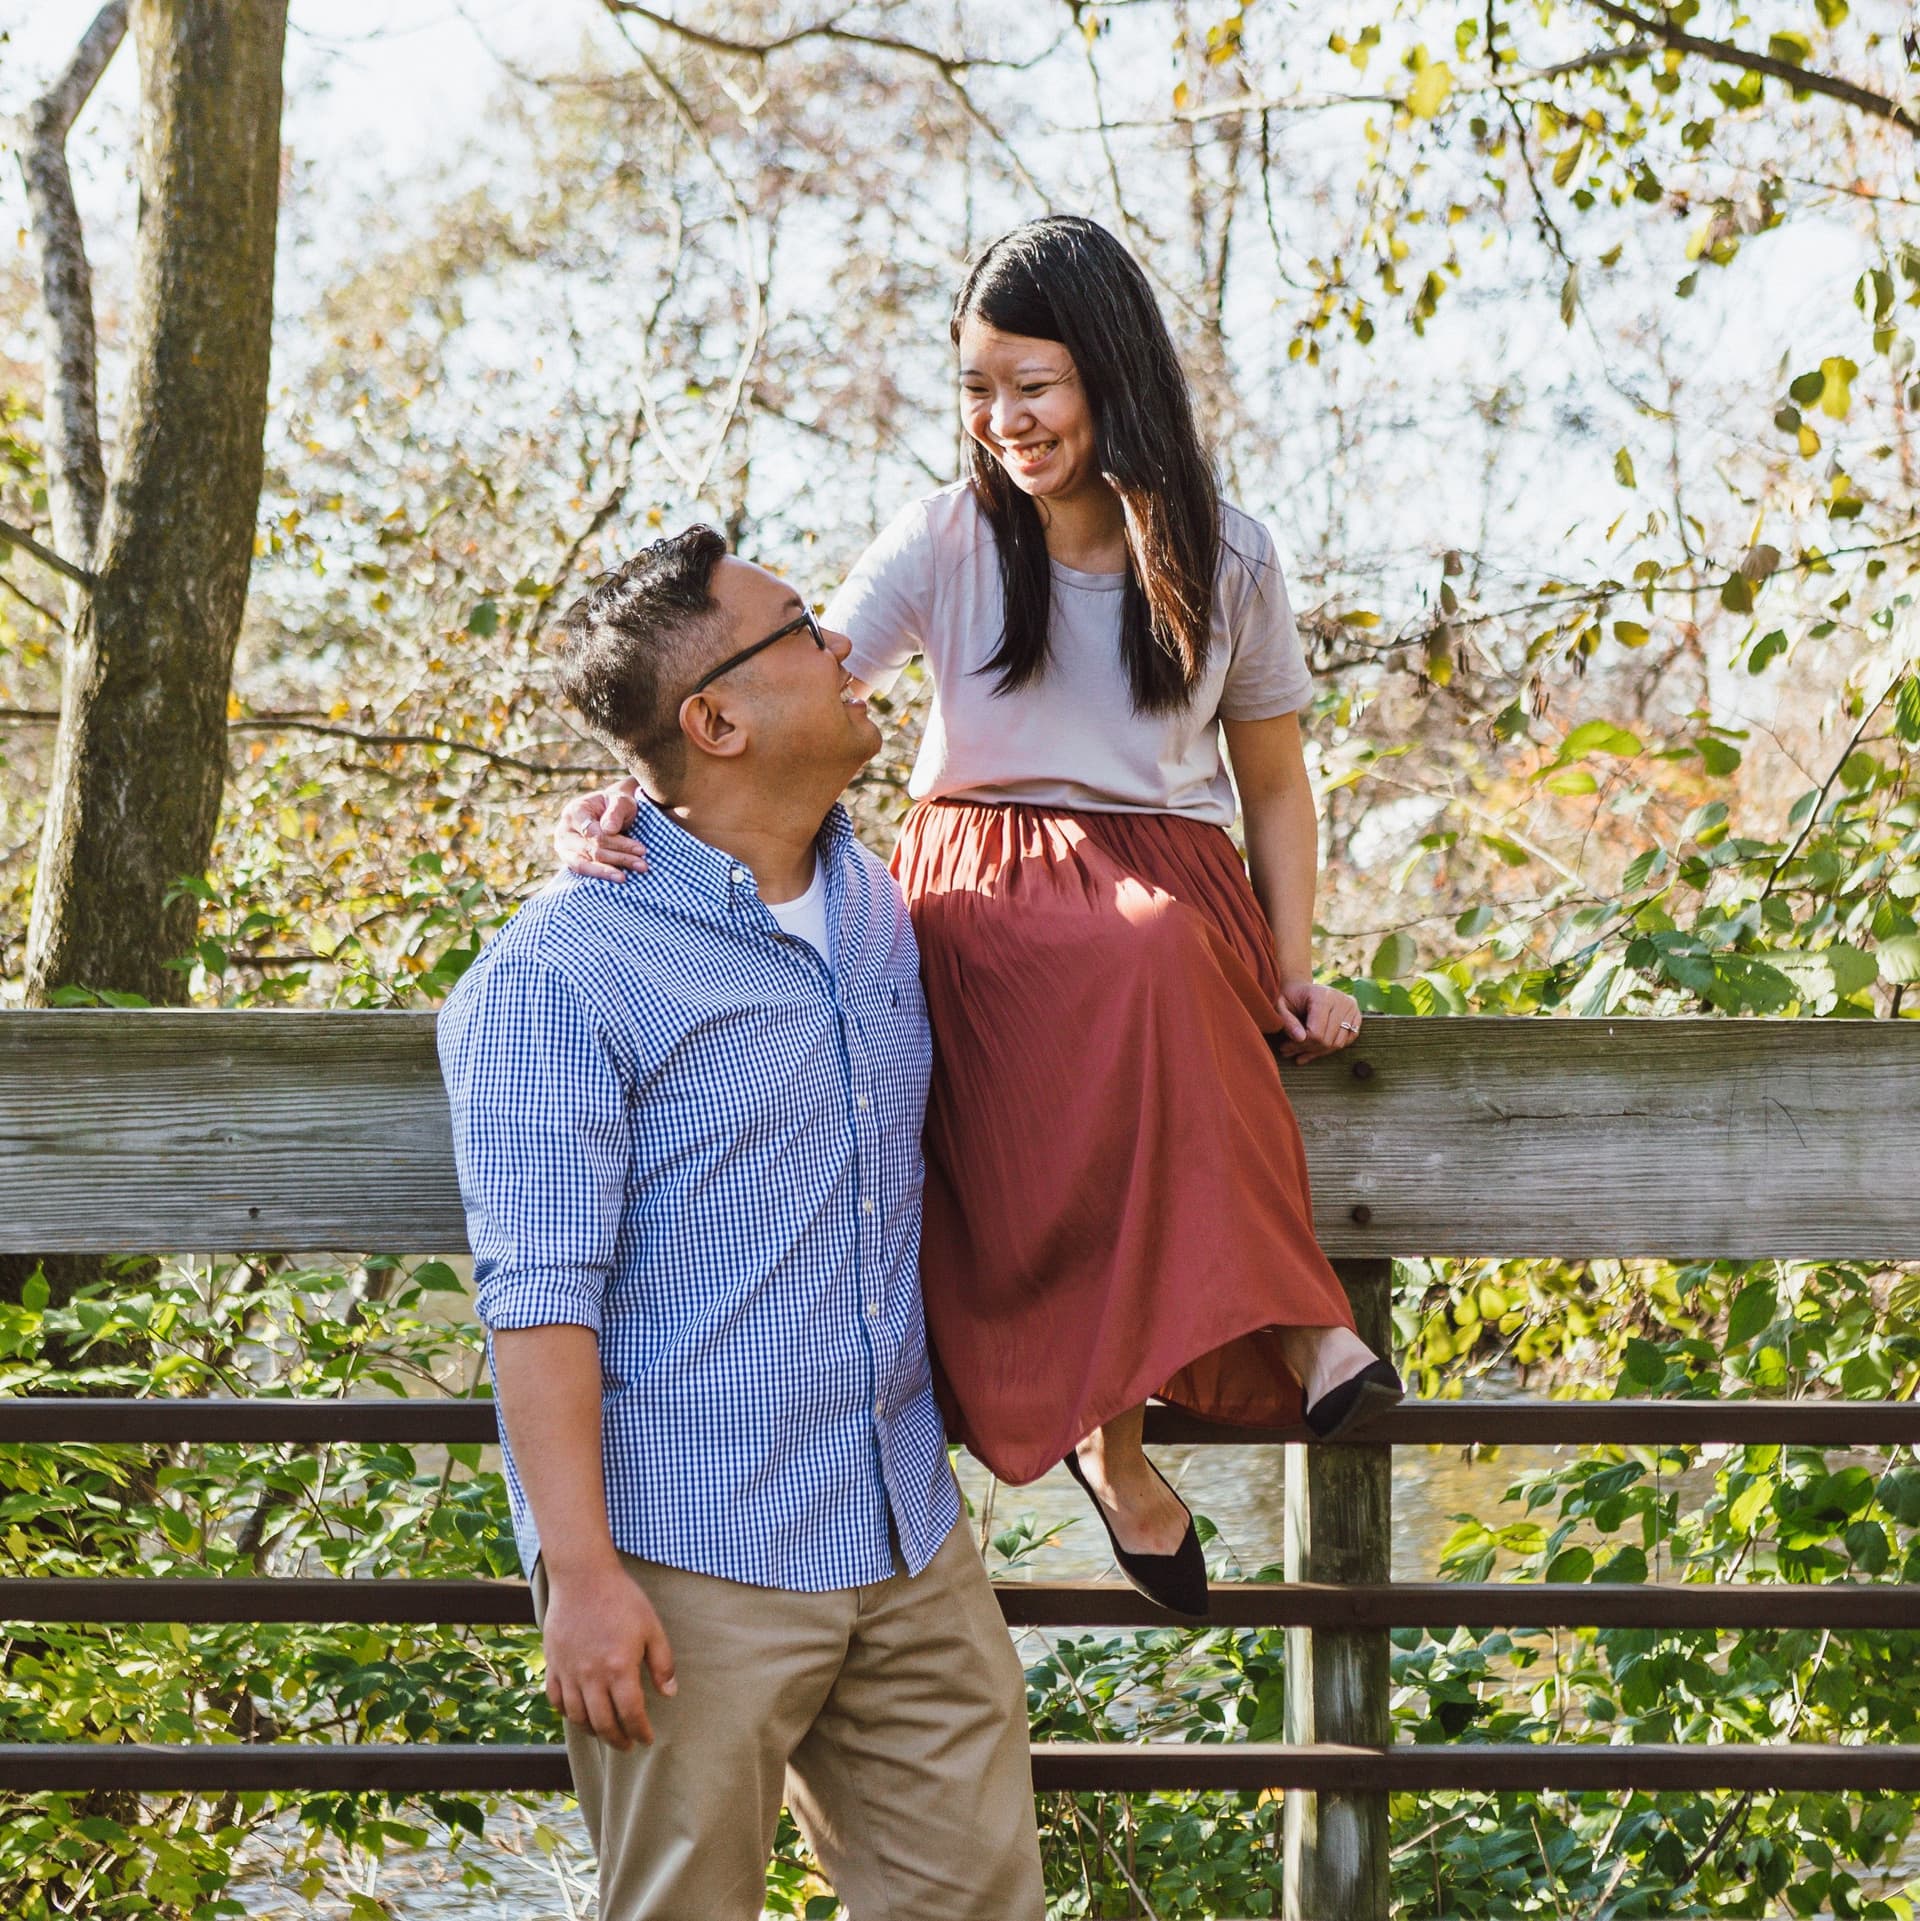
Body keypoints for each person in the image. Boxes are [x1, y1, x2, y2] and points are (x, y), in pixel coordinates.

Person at [558, 215, 1402, 1620]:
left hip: (1170, 880)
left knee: (1162, 958)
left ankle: (1129, 1443)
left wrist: (1298, 968)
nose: (1003, 420)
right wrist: (625, 800)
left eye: (1035, 384)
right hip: (993, 877)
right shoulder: (948, 538)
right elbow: (784, 691)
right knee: (1132, 966)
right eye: (980, 389)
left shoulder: (1229, 557)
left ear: (1111, 373)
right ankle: (1289, 1339)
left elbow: (1275, 781)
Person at [438, 526, 1045, 1921]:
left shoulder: (879, 903)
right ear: (715, 718)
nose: (847, 644)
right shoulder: (559, 973)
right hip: (684, 1555)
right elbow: (538, 1294)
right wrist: (580, 1574)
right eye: (803, 630)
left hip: (903, 1534)